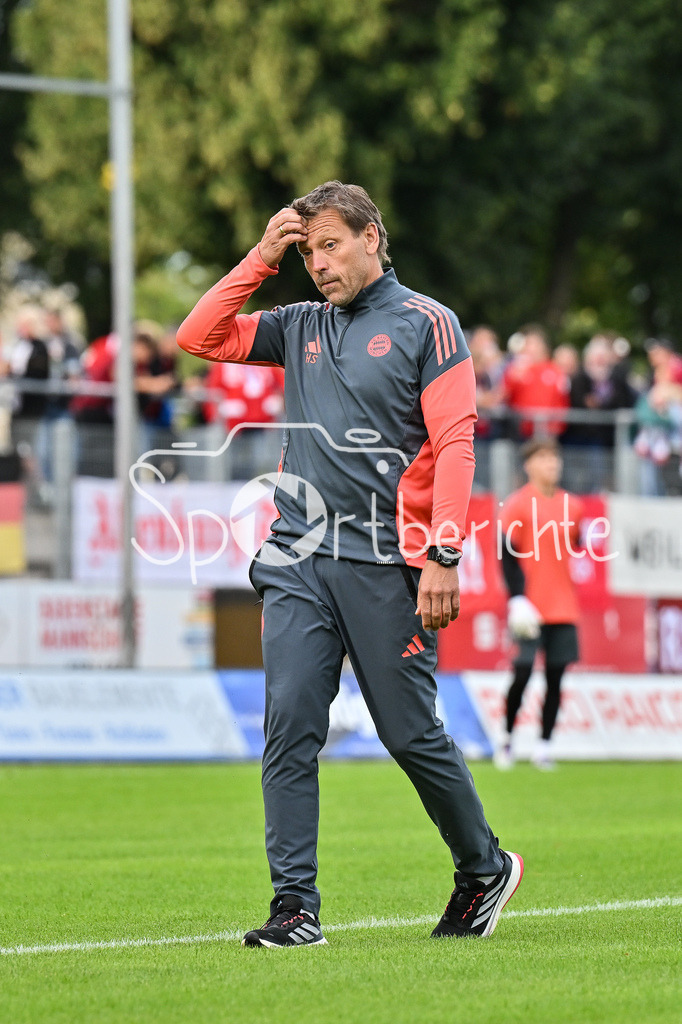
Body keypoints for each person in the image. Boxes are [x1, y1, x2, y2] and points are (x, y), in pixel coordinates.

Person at [177, 181, 523, 948]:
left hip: (387, 565)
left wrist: (444, 554)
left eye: (329, 245)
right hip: (296, 558)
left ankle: (484, 867)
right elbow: (198, 336)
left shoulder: (428, 323)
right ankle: (294, 909)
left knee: (410, 735)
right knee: (289, 728)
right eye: (308, 253)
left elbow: (456, 444)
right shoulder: (298, 323)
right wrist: (261, 257)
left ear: (372, 237)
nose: (319, 264)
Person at [494, 437, 583, 772]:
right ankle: (506, 739)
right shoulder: (517, 505)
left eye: (555, 458)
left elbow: (577, 544)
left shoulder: (573, 506)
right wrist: (517, 598)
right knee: (522, 672)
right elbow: (506, 553)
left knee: (556, 677)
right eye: (544, 458)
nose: (552, 464)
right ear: (529, 465)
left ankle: (544, 746)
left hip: (564, 606)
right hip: (529, 608)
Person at [502, 324, 569, 439]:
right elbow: (503, 396)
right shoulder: (515, 369)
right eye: (527, 343)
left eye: (532, 343)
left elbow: (562, 402)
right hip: (519, 432)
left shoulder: (555, 371)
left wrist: (556, 427)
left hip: (547, 434)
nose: (529, 348)